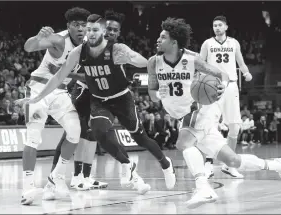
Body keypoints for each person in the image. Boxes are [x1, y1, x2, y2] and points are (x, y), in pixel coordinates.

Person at [148, 17, 281, 209]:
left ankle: (203, 188)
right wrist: (157, 95)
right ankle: (278, 165)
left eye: (162, 37)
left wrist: (221, 88)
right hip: (183, 116)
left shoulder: (193, 59)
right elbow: (152, 95)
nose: (158, 40)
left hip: (199, 109)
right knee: (233, 161)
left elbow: (223, 75)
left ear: (174, 42)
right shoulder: (154, 62)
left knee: (183, 143)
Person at [21, 13, 176, 195]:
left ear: (104, 32)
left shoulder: (117, 49)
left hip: (120, 98)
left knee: (138, 138)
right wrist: (37, 98)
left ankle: (165, 164)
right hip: (97, 97)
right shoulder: (77, 50)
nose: (90, 33)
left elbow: (144, 62)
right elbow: (58, 76)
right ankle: (69, 177)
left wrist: (151, 66)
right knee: (94, 132)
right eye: (88, 29)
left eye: (95, 30)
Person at [17, 7, 91, 205]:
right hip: (38, 89)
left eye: (84, 25)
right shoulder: (58, 40)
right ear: (69, 26)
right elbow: (28, 47)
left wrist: (69, 74)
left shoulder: (87, 45)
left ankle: (55, 177)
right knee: (33, 136)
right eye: (76, 25)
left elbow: (88, 75)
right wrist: (37, 36)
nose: (81, 29)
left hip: (60, 93)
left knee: (75, 131)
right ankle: (27, 186)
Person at [50, 8, 124, 191]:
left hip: (98, 95)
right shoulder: (86, 45)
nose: (110, 32)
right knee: (75, 134)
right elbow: (79, 73)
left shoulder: (113, 48)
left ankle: (86, 176)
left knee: (91, 135)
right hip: (82, 92)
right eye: (108, 28)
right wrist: (80, 76)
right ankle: (70, 176)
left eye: (114, 29)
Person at [200, 15, 253, 178]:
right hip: (213, 86)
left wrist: (246, 72)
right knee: (210, 125)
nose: (216, 27)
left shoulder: (234, 43)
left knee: (235, 127)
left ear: (226, 27)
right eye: (214, 25)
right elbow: (200, 64)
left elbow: (240, 62)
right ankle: (208, 163)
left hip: (231, 85)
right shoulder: (207, 43)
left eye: (219, 25)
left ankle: (229, 165)